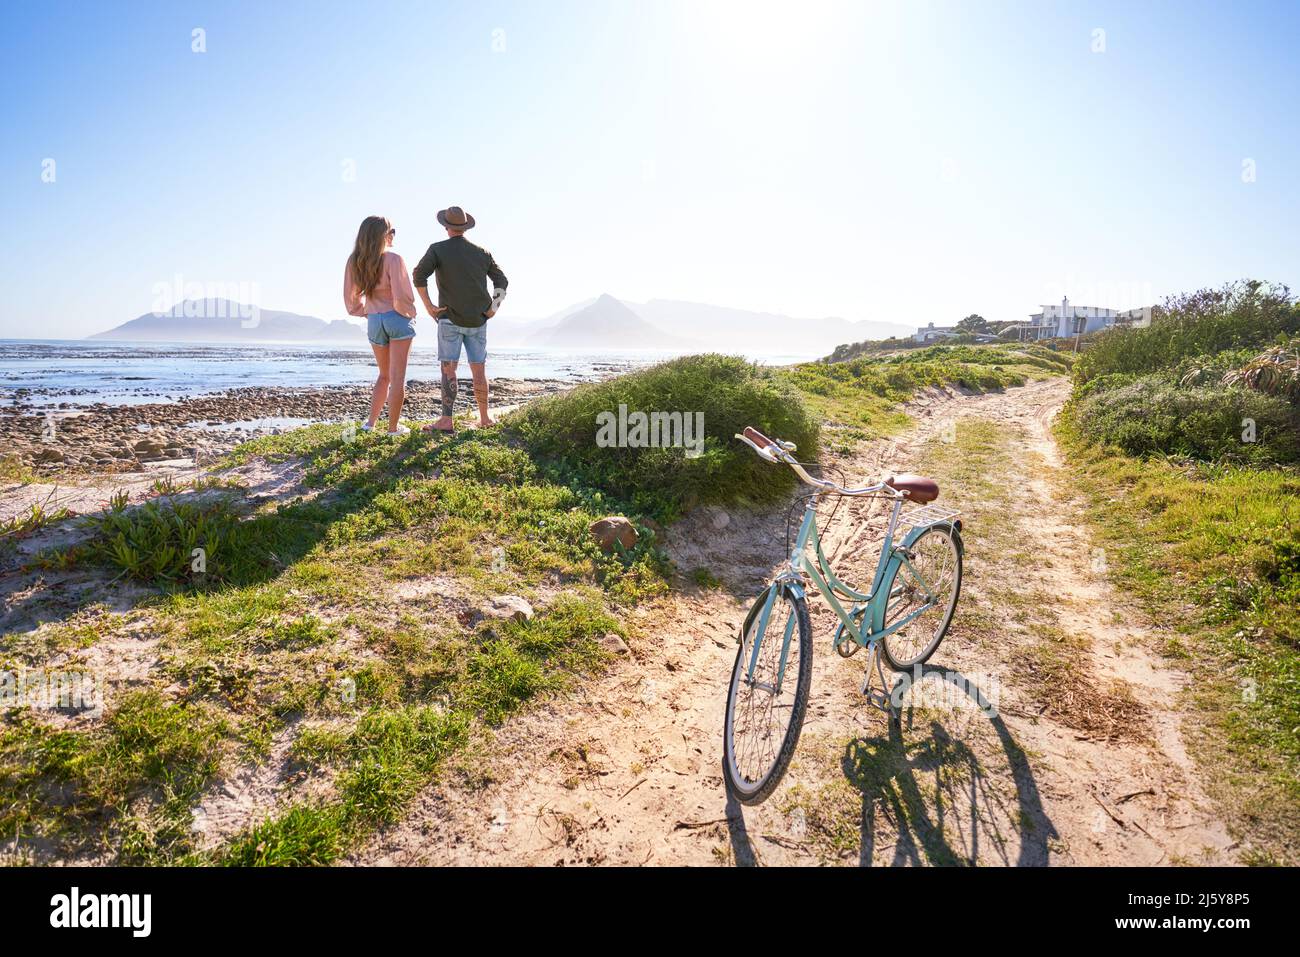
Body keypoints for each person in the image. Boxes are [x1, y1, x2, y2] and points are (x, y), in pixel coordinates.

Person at [412, 206, 508, 432]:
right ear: (465, 227)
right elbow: (502, 281)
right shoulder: (482, 252)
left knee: (448, 369)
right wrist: (493, 308)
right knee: (479, 371)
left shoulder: (437, 249)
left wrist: (429, 307)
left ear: (446, 227)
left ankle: (447, 421)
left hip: (449, 319)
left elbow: (418, 275)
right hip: (478, 319)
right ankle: (485, 418)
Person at [344, 215, 418, 436]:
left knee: (383, 375)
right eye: (392, 231)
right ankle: (393, 429)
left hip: (374, 320)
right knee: (397, 378)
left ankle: (370, 424)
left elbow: (351, 300)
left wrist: (366, 312)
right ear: (383, 235)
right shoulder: (394, 260)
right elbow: (402, 297)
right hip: (396, 318)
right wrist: (409, 314)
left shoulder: (354, 261)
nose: (393, 236)